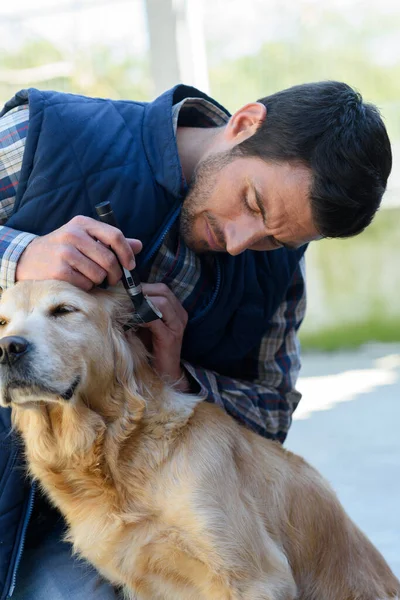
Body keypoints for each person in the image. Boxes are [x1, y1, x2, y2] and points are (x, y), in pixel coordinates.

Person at [0, 80, 392, 600]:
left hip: (135, 511)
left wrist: (177, 375)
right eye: (251, 202)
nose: (238, 243)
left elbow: (270, 414)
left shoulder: (281, 272)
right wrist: (18, 255)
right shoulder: (45, 136)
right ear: (245, 123)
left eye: (274, 238)